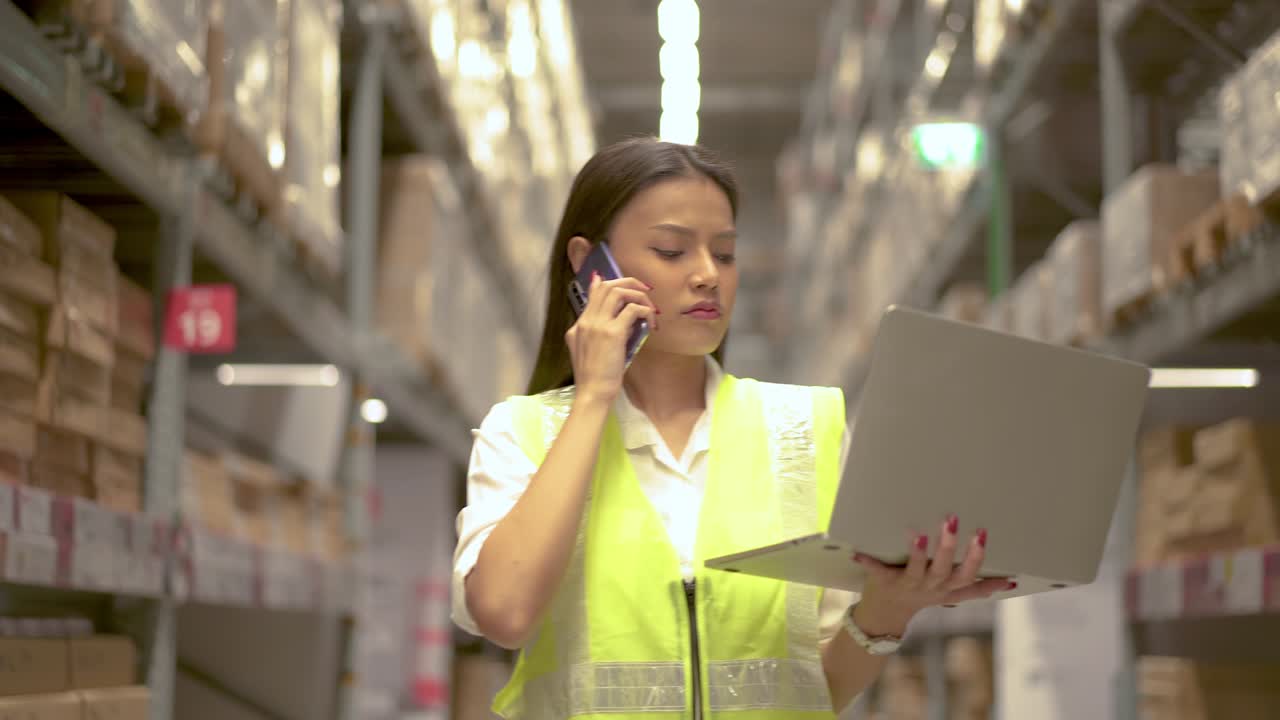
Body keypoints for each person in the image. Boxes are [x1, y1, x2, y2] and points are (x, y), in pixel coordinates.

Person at [452, 138, 1012, 719]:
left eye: (724, 254)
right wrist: (594, 394)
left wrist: (889, 609)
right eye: (671, 251)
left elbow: (817, 688)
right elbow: (505, 612)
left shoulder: (806, 429)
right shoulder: (522, 433)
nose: (706, 276)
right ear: (589, 264)